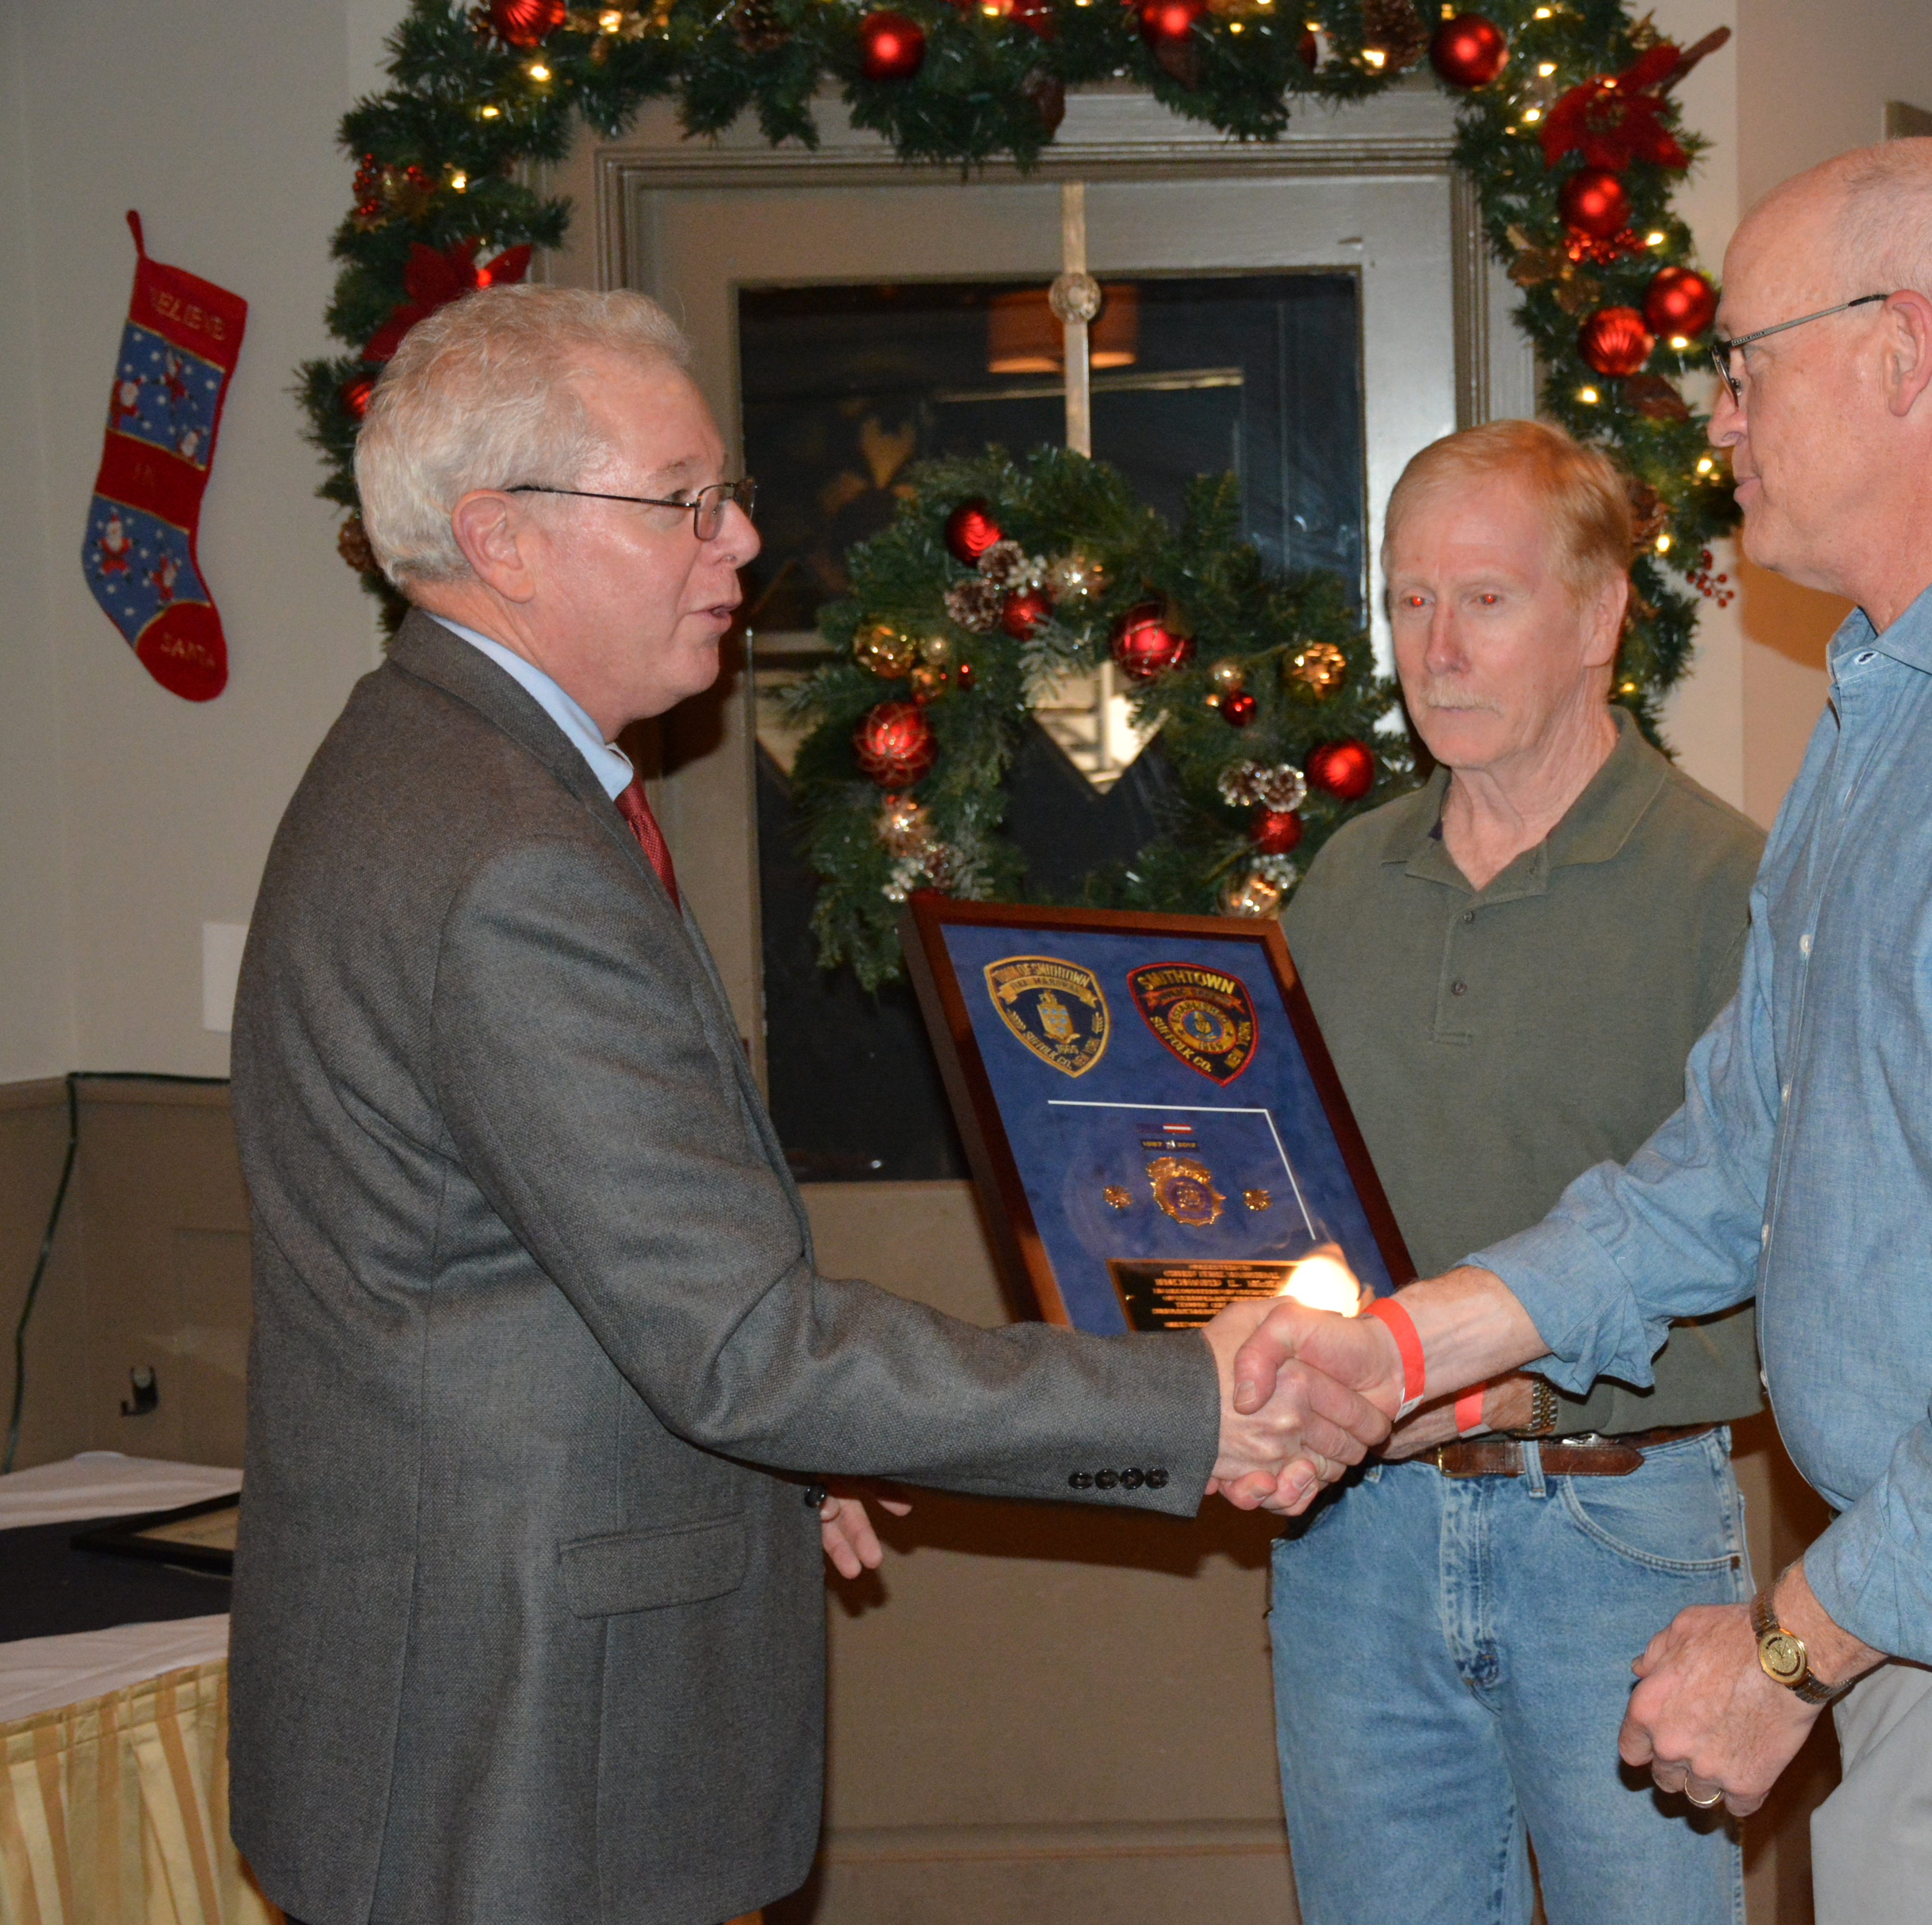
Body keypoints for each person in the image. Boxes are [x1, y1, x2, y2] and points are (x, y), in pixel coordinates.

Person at [1232, 137, 1932, 1924]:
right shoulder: (1893, 720)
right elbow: (1728, 1160)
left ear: (1907, 347)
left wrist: (1790, 1645)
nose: (1715, 419)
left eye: (1743, 363)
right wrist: (1415, 1347)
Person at [226, 284, 1384, 1925]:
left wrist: (775, 1455)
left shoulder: (427, 767)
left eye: (734, 496)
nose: (745, 545)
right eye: (687, 502)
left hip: (470, 1676)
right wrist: (1189, 1403)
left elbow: (531, 1275)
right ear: (505, 538)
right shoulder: (505, 858)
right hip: (528, 1739)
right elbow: (740, 1347)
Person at [1269, 420, 1766, 1925]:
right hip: (1352, 1537)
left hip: (1620, 1531)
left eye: (1483, 598)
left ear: (1604, 612)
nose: (1437, 645)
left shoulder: (1732, 886)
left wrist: (1491, 1389)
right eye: (1409, 599)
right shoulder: (1344, 881)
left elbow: (1756, 1245)